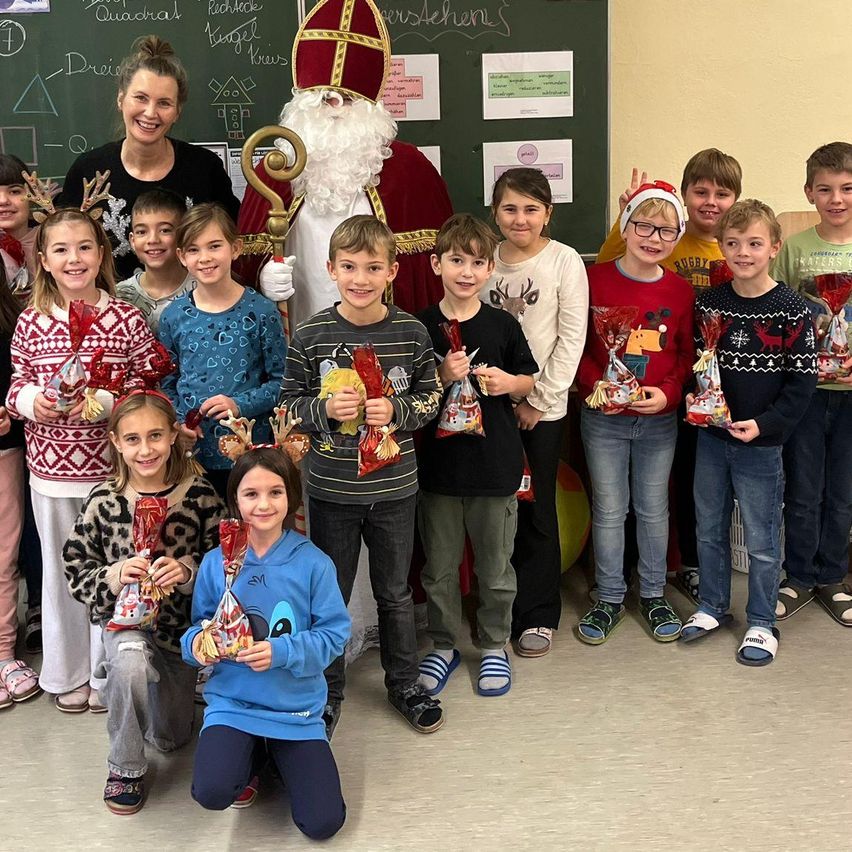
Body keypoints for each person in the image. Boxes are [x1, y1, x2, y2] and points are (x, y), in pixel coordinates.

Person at [279, 214, 443, 736]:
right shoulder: (311, 333)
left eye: (374, 267)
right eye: (349, 267)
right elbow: (287, 407)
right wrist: (324, 409)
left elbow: (431, 399)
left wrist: (396, 411)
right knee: (331, 592)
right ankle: (326, 690)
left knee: (395, 591)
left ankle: (405, 683)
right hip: (331, 490)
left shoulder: (411, 332)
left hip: (395, 489)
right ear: (330, 269)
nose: (361, 278)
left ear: (393, 270)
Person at [5, 207, 161, 711]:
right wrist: (35, 403)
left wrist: (109, 404)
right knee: (59, 572)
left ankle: (105, 673)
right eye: (61, 250)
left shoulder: (125, 316)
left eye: (85, 247)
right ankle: (65, 670)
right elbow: (17, 385)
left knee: (114, 572)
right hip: (50, 473)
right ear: (44, 260)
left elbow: (144, 384)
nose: (75, 259)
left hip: (111, 474)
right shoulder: (32, 320)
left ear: (102, 254)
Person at [238, 0, 453, 324]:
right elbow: (240, 263)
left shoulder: (411, 169)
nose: (336, 104)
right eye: (323, 97)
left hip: (385, 343)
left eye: (348, 99)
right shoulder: (274, 171)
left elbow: (436, 274)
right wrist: (263, 278)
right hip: (301, 338)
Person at [63, 391, 224, 814]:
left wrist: (188, 570)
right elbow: (75, 569)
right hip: (126, 626)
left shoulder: (200, 494)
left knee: (170, 738)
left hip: (179, 632)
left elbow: (228, 562)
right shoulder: (103, 500)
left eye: (155, 435)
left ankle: (153, 694)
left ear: (173, 435)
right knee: (131, 663)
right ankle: (124, 765)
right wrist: (114, 576)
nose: (145, 448)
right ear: (116, 442)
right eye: (132, 439)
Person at [598, 150, 743, 603]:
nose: (711, 202)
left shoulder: (737, 244)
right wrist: (631, 212)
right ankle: (618, 584)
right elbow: (608, 272)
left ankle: (682, 570)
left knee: (688, 484)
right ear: (684, 197)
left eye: (722, 194)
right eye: (701, 191)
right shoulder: (652, 240)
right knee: (628, 498)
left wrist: (672, 389)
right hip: (638, 396)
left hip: (703, 387)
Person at [183, 447, 349, 840]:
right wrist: (201, 646)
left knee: (323, 823)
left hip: (296, 713)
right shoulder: (215, 562)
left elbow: (334, 634)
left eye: (275, 492)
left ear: (292, 495)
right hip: (233, 706)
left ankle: (276, 751)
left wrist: (283, 652)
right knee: (211, 791)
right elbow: (194, 631)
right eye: (251, 494)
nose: (263, 504)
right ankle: (253, 753)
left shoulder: (313, 563)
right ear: (235, 500)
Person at [681, 200, 817, 665]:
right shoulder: (708, 304)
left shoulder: (793, 310)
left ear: (774, 247)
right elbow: (695, 366)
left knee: (761, 538)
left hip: (761, 444)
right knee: (709, 529)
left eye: (755, 243)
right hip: (712, 439)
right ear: (721, 247)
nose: (743, 252)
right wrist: (697, 405)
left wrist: (764, 425)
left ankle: (762, 620)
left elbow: (803, 384)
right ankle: (712, 607)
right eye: (733, 243)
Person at [416, 214, 537, 698]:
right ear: (436, 263)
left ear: (491, 270)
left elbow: (529, 379)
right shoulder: (419, 325)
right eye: (456, 260)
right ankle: (443, 643)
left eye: (477, 262)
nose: (466, 271)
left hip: (494, 468)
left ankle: (492, 644)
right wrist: (443, 376)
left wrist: (509, 384)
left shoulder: (502, 324)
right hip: (438, 472)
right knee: (440, 568)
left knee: (496, 567)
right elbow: (407, 392)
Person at [575, 183, 695, 644]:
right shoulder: (593, 279)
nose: (654, 236)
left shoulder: (681, 292)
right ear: (626, 227)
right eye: (644, 224)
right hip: (604, 418)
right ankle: (607, 597)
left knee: (652, 509)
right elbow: (578, 348)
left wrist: (667, 392)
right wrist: (595, 385)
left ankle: (652, 593)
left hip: (659, 420)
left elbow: (685, 355)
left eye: (667, 230)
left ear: (677, 236)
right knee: (609, 510)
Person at [485, 168, 588, 657]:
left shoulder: (565, 261)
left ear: (548, 212)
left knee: (536, 510)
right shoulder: (485, 262)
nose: (520, 218)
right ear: (494, 212)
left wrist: (537, 401)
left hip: (542, 412)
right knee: (492, 512)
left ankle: (538, 613)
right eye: (510, 208)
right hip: (489, 412)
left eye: (531, 208)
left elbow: (571, 341)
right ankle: (495, 610)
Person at [58, 35, 240, 280]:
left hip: (195, 309)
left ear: (177, 112)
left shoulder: (205, 168)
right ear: (121, 99)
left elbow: (232, 243)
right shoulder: (88, 171)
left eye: (164, 103)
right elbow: (61, 246)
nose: (150, 113)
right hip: (108, 311)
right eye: (141, 98)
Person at [770, 142, 852, 625]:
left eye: (846, 189)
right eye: (825, 189)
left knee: (842, 492)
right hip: (807, 392)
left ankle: (833, 578)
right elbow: (778, 313)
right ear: (809, 192)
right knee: (802, 491)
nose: (836, 199)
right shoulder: (795, 248)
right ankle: (798, 575)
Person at [159, 203, 287, 500]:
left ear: (235, 248)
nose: (205, 258)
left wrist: (239, 404)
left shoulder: (261, 312)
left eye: (214, 246)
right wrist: (179, 422)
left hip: (250, 456)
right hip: (192, 456)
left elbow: (282, 383)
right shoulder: (173, 316)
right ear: (181, 256)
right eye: (193, 249)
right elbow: (166, 382)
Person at [0, 153, 43, 652]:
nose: (7, 203)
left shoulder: (54, 238)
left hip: (53, 402)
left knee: (37, 514)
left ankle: (41, 609)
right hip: (9, 399)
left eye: (15, 190)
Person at [0, 257, 40, 709]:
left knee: (4, 556)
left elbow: (17, 383)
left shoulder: (14, 322)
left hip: (5, 453)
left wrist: (7, 410)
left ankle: (3, 653)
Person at [115, 189, 194, 335]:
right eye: (142, 232)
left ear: (183, 235)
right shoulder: (120, 295)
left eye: (164, 230)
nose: (152, 240)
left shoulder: (202, 288)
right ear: (132, 241)